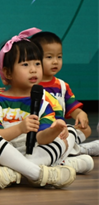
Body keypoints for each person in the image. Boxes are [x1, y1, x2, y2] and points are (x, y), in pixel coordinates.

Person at [0, 28, 76, 189]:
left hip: (22, 160)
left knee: (68, 133)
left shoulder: (43, 103)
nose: (33, 69)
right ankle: (38, 174)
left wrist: (55, 130)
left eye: (37, 64)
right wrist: (20, 128)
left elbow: (41, 139)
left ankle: (17, 173)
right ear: (8, 72)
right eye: (25, 64)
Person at [30, 31, 98, 159]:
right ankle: (77, 150)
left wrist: (80, 114)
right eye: (49, 57)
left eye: (59, 57)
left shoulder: (62, 85)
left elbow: (72, 107)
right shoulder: (30, 85)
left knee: (86, 129)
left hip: (60, 130)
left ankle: (65, 148)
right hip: (40, 132)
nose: (55, 62)